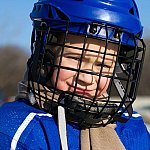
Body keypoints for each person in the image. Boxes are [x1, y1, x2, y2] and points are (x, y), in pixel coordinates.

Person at [0, 0, 150, 149]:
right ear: (45, 57)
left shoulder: (131, 127)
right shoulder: (15, 129)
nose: (87, 78)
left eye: (102, 65)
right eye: (75, 59)